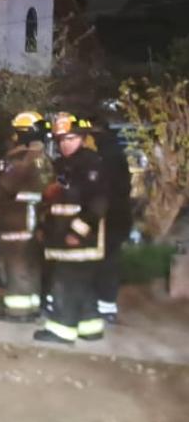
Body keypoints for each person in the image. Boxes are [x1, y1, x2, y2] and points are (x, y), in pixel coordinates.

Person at [35, 113, 109, 344]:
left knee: (65, 283)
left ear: (82, 138)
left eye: (70, 138)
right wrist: (43, 226)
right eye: (61, 140)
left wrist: (78, 231)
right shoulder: (62, 165)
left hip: (79, 239)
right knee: (81, 284)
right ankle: (90, 326)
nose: (65, 144)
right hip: (61, 236)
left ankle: (62, 329)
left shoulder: (91, 164)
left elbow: (99, 202)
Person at [0, 111, 54, 323]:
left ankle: (18, 311)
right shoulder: (44, 159)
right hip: (36, 220)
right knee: (31, 264)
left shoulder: (21, 159)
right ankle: (32, 306)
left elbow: (4, 186)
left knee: (15, 264)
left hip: (16, 219)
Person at [87, 118, 132, 323]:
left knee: (103, 262)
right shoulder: (116, 153)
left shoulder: (103, 157)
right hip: (118, 217)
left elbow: (103, 190)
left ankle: (102, 305)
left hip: (108, 218)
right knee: (110, 262)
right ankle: (107, 306)